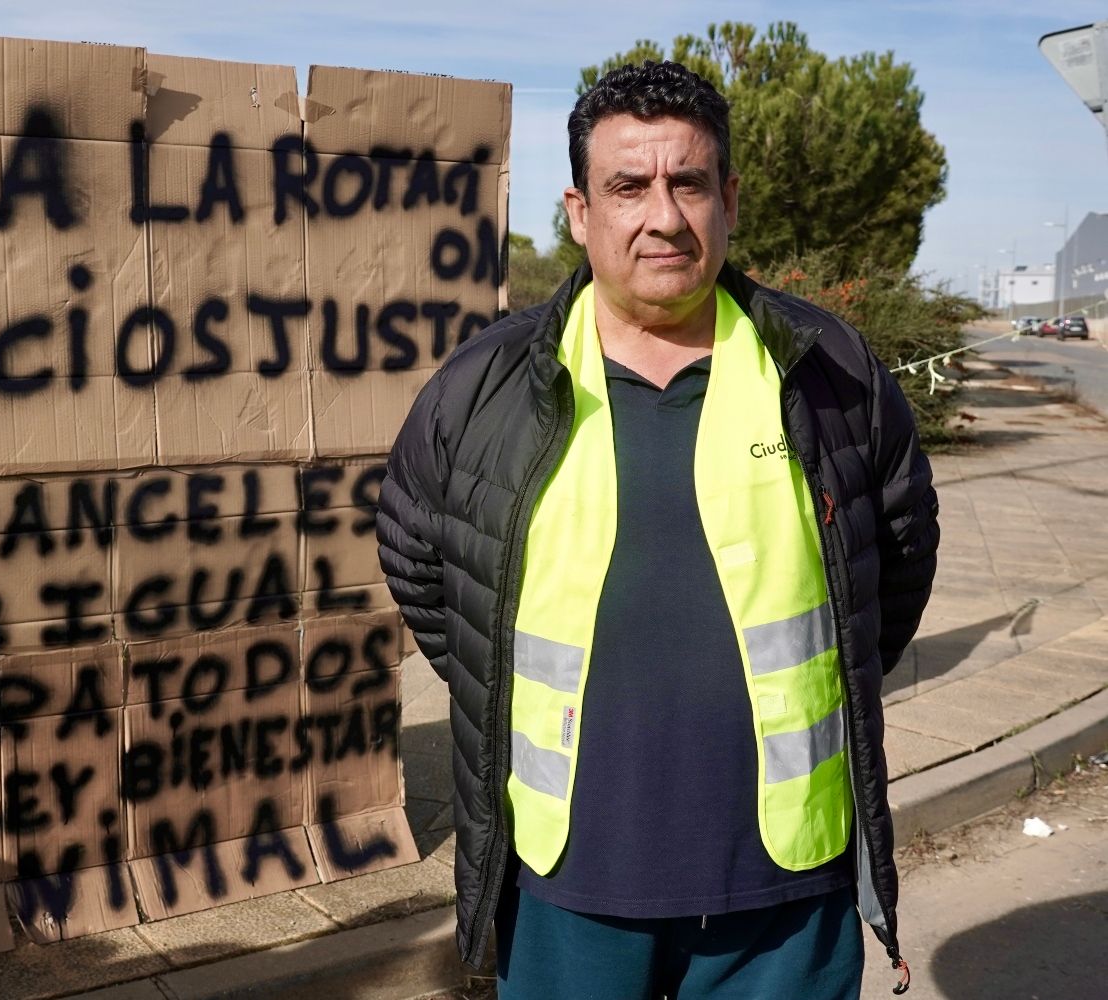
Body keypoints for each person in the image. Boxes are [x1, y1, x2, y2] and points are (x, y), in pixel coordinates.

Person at [376, 60, 937, 999]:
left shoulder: (827, 370)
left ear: (729, 198)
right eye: (628, 187)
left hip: (785, 889)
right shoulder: (487, 388)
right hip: (570, 883)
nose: (662, 216)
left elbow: (892, 565)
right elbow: (425, 566)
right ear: (578, 211)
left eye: (689, 183)